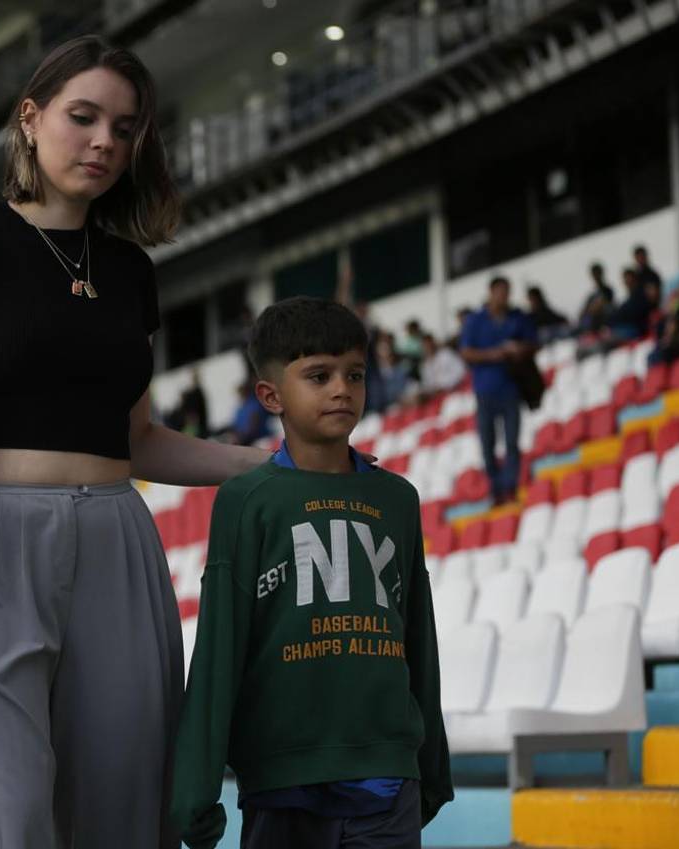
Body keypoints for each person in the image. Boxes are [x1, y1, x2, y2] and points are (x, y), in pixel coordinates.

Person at [0, 35, 270, 848]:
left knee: (124, 819)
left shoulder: (130, 270)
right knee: (1, 825)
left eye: (125, 126)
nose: (105, 141)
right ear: (31, 119)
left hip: (117, 543)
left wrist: (266, 461)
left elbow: (138, 439)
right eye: (84, 117)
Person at [170, 297, 452, 849]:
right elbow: (219, 648)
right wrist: (196, 785)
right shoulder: (246, 501)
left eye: (355, 374)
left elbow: (418, 634)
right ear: (271, 394)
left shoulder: (397, 498)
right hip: (283, 783)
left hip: (387, 778)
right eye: (318, 376)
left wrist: (432, 765)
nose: (341, 389)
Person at [460, 276, 538, 504]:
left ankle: (510, 488)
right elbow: (466, 352)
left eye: (507, 292)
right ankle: (496, 489)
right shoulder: (476, 320)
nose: (503, 296)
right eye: (500, 292)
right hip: (485, 390)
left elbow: (533, 344)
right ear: (491, 292)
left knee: (512, 442)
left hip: (511, 387)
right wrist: (495, 354)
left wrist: (518, 349)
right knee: (488, 444)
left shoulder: (517, 317)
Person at [366, 333, 416, 413]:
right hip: (384, 412)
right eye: (383, 350)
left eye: (388, 351)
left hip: (403, 408)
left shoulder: (401, 370)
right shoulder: (373, 378)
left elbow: (410, 386)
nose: (386, 355)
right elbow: (376, 402)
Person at [418, 332, 466, 396]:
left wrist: (444, 386)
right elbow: (427, 384)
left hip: (454, 390)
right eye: (425, 345)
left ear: (433, 342)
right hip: (437, 396)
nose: (428, 347)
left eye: (429, 343)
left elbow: (461, 371)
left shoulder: (446, 354)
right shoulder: (425, 365)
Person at [578, 262, 615, 333]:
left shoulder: (607, 290)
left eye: (597, 274)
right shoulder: (592, 293)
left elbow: (605, 305)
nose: (595, 276)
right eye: (594, 274)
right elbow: (586, 309)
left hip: (603, 319)